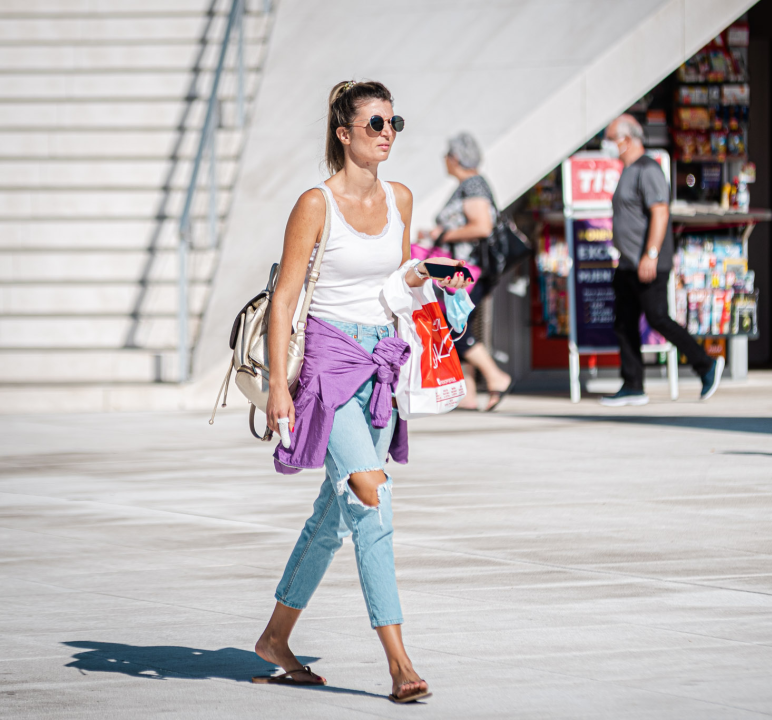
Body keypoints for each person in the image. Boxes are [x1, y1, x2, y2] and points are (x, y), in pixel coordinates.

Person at [255, 80, 469, 702]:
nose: (386, 133)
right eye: (374, 123)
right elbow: (285, 298)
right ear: (344, 133)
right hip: (327, 365)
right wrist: (277, 384)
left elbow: (398, 281)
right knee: (373, 504)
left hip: (381, 361)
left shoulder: (400, 197)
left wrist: (429, 273)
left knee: (335, 517)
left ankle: (274, 639)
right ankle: (401, 664)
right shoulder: (314, 204)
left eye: (393, 122)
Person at [599, 114, 722, 407]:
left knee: (658, 317)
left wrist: (650, 254)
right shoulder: (628, 170)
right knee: (624, 323)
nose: (606, 145)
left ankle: (705, 364)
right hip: (628, 262)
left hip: (648, 261)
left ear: (627, 140)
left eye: (610, 138)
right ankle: (632, 385)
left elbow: (661, 213)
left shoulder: (647, 169)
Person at [418, 132, 513, 411]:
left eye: (447, 155)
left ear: (456, 158)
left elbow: (481, 226)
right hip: (465, 269)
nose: (444, 160)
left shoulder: (473, 185)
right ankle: (467, 392)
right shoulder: (468, 185)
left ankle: (497, 377)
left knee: (452, 327)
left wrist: (444, 235)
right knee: (461, 324)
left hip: (468, 270)